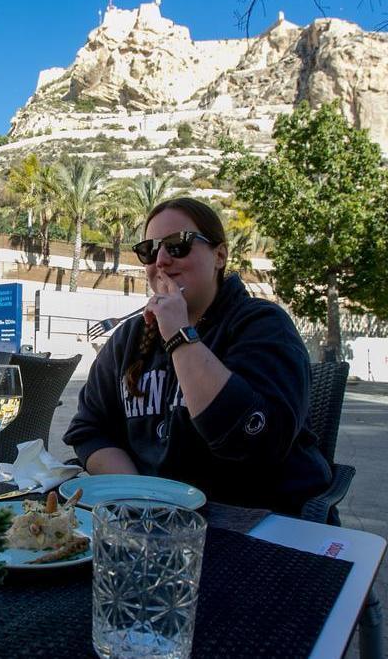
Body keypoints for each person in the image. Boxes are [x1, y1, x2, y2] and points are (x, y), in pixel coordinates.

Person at [63, 197, 331, 514]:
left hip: (259, 524)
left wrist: (179, 335)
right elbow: (90, 429)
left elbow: (252, 439)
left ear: (219, 256)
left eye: (178, 245)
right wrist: (139, 497)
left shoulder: (263, 326)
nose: (160, 260)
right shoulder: (129, 339)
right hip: (152, 523)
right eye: (149, 250)